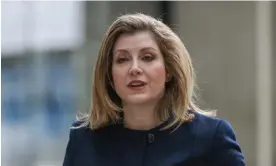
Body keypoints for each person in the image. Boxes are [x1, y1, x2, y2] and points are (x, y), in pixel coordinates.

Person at [63, 13, 246, 166]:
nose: (134, 68)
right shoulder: (83, 140)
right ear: (110, 75)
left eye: (147, 57)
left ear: (169, 70)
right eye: (122, 59)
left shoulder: (211, 137)